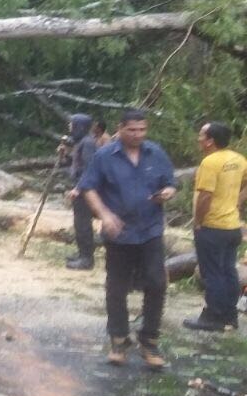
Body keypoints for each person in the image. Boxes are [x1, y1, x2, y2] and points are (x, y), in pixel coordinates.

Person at [78, 108, 177, 370]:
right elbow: (88, 188)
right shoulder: (104, 156)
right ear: (120, 128)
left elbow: (170, 183)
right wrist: (104, 215)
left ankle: (150, 340)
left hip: (150, 229)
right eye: (132, 130)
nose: (137, 135)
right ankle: (119, 340)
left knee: (156, 282)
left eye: (142, 130)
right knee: (117, 286)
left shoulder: (155, 152)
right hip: (118, 232)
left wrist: (167, 192)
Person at [183, 121, 245, 332]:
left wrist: (199, 222)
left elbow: (205, 196)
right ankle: (230, 316)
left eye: (201, 135)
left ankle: (213, 317)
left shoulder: (210, 163)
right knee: (228, 271)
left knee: (212, 273)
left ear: (210, 141)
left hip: (213, 226)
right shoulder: (238, 159)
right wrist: (238, 200)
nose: (198, 138)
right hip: (232, 226)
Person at [65, 114, 99, 270]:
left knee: (83, 223)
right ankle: (82, 254)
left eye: (72, 125)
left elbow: (88, 168)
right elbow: (75, 163)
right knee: (79, 223)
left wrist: (79, 188)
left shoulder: (88, 144)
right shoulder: (81, 143)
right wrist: (65, 154)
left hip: (85, 189)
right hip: (80, 187)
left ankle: (87, 258)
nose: (70, 129)